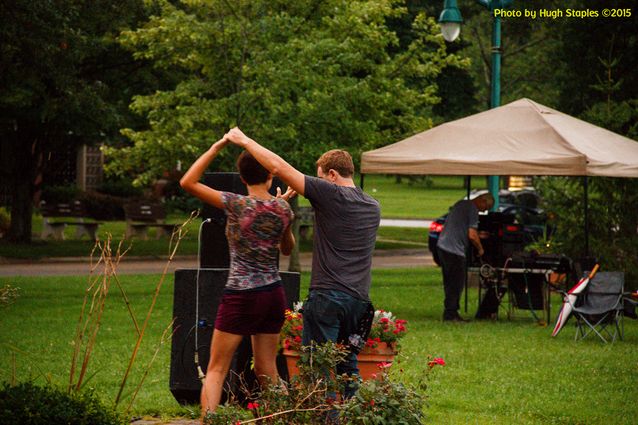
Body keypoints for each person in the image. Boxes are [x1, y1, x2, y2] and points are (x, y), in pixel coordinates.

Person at [224, 127, 380, 397]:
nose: (317, 183)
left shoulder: (330, 194)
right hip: (359, 301)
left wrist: (245, 141)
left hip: (328, 298)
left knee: (317, 371)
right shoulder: (372, 205)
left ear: (332, 174)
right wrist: (279, 207)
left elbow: (279, 167)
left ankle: (323, 419)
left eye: (321, 177)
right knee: (348, 368)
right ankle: (354, 416)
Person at [179, 137, 296, 419]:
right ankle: (284, 418)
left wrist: (215, 147)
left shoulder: (235, 203)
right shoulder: (284, 209)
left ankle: (211, 421)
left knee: (216, 369)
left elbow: (188, 182)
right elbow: (287, 248)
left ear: (242, 177)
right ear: (270, 174)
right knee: (267, 368)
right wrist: (281, 212)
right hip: (273, 293)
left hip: (241, 295)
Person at [437, 193, 494, 322]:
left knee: (449, 281)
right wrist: (480, 249)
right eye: (485, 208)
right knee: (456, 283)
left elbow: (460, 226)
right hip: (454, 250)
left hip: (443, 246)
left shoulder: (461, 204)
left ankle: (449, 311)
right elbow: (472, 235)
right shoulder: (472, 209)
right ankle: (451, 314)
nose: (483, 211)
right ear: (482, 200)